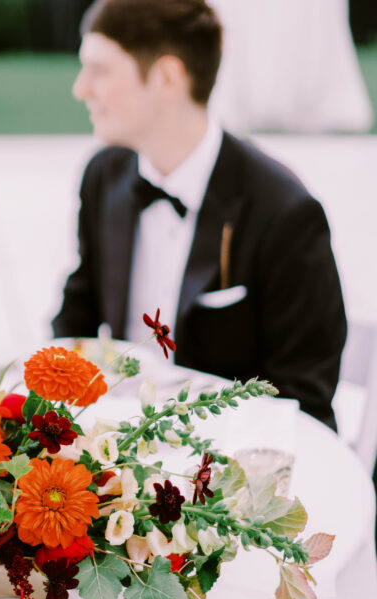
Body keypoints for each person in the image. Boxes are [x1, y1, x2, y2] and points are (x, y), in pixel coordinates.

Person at [51, 0, 347, 429]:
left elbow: (304, 399)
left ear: (168, 77)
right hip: (116, 445)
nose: (81, 89)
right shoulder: (104, 175)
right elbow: (75, 314)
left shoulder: (285, 214)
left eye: (99, 71)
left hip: (229, 461)